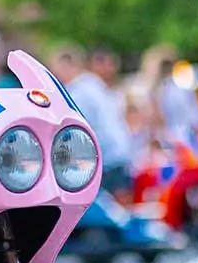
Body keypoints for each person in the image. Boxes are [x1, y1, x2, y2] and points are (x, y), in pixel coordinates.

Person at [51, 46, 135, 200]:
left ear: (67, 64)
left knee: (113, 215)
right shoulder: (95, 84)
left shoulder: (77, 91)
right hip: (121, 154)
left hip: (107, 159)